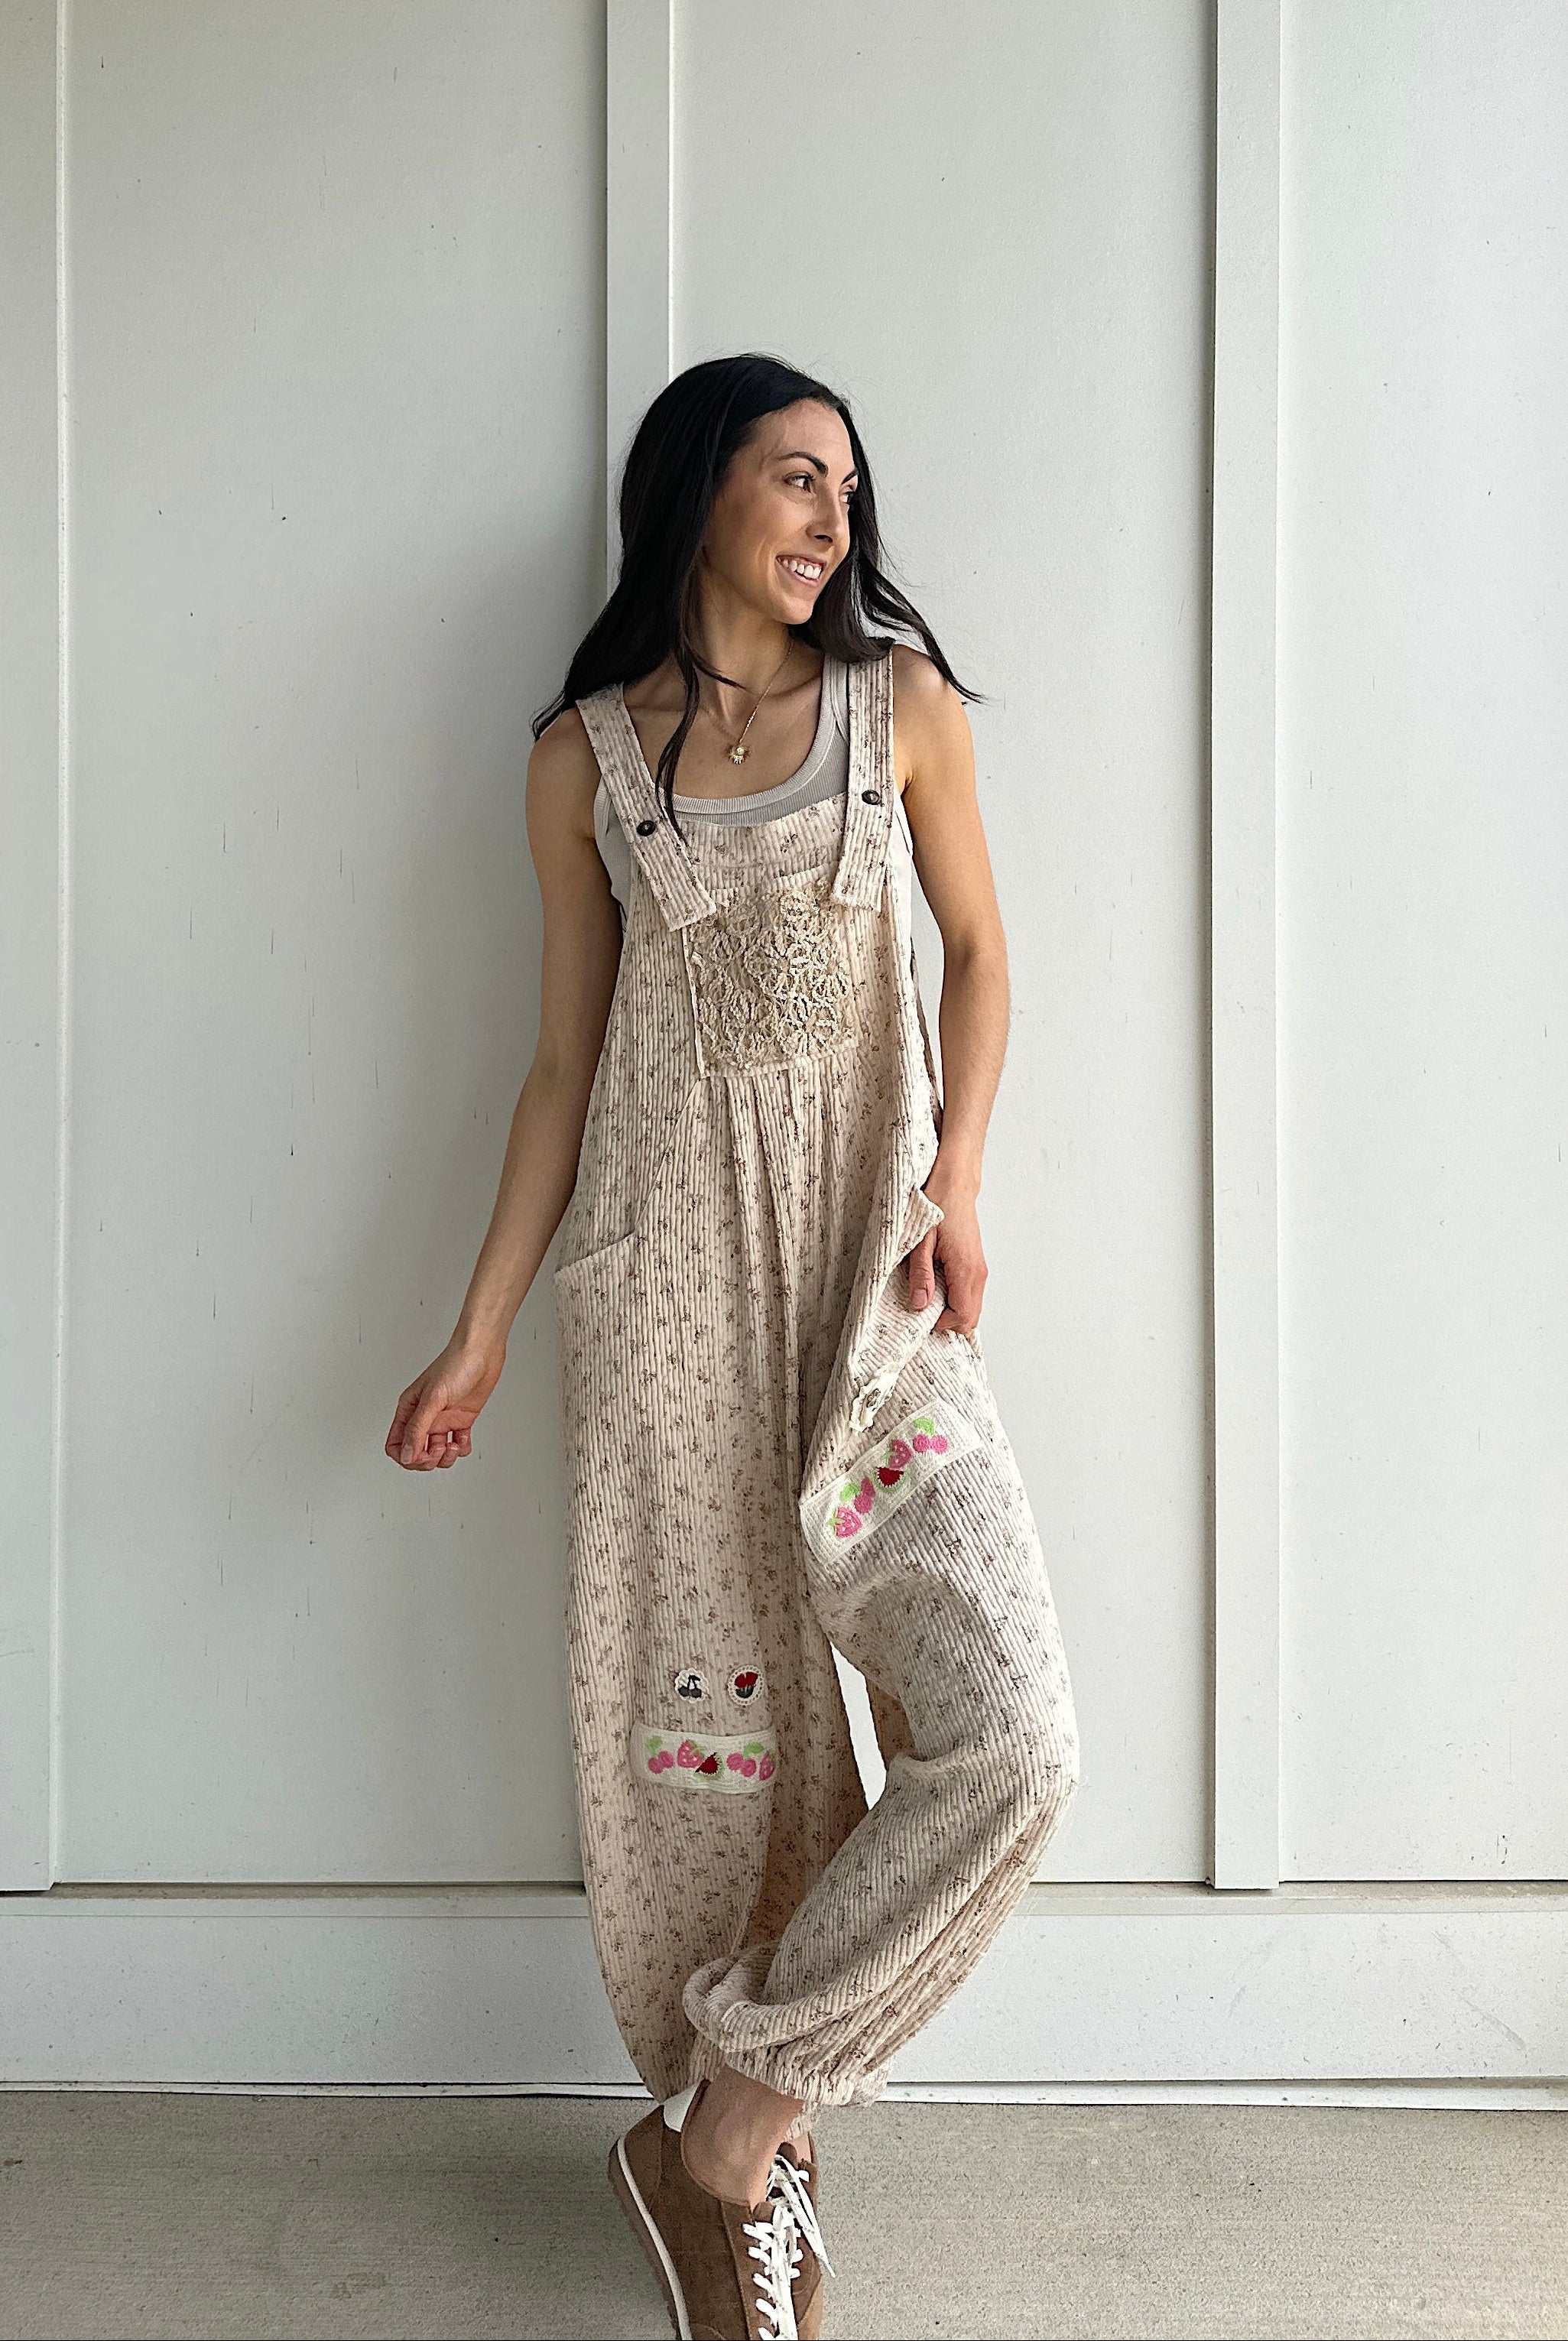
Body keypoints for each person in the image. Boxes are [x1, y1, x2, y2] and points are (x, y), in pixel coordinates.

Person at [387, 354, 1080, 2341]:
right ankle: (746, 2166)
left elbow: (981, 953)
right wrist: (480, 1329)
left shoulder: (898, 713)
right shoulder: (586, 759)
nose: (832, 523)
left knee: (1012, 1738)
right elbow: (554, 1068)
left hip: (875, 1309)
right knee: (716, 1763)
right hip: (665, 1301)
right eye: (795, 479)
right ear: (695, 489)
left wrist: (957, 1178)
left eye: (849, 493)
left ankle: (720, 2128)